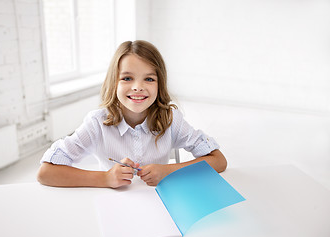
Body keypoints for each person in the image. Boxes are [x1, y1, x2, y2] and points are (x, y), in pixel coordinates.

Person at [37, 40, 227, 188]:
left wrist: (168, 171)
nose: (138, 87)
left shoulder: (170, 119)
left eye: (149, 79)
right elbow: (45, 173)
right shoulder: (97, 123)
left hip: (158, 201)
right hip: (114, 203)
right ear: (114, 83)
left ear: (159, 84)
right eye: (127, 78)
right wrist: (105, 178)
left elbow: (219, 161)